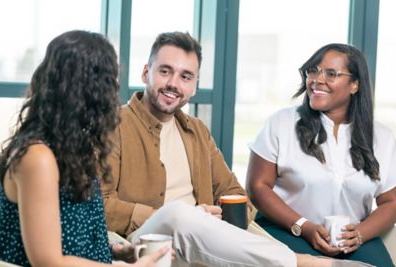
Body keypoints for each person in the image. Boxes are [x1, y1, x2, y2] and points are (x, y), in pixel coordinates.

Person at [102, 32, 371, 267]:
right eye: (165, 71)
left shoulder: (196, 131)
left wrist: (222, 217)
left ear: (194, 86)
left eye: (185, 76)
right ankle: (304, 264)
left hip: (201, 244)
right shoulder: (112, 127)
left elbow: (234, 194)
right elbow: (98, 205)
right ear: (146, 73)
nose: (174, 83)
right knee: (176, 213)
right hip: (144, 243)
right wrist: (171, 216)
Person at [0, 30, 168, 266]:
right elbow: (48, 261)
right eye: (109, 82)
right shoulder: (37, 157)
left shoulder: (72, 148)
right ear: (90, 91)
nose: (113, 94)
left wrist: (117, 250)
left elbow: (71, 236)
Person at [246, 43, 396, 266]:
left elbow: (391, 201)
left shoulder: (382, 137)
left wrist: (360, 233)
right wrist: (303, 226)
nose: (317, 79)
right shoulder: (282, 123)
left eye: (331, 74)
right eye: (313, 71)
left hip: (351, 238)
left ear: (354, 84)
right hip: (288, 229)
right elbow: (257, 187)